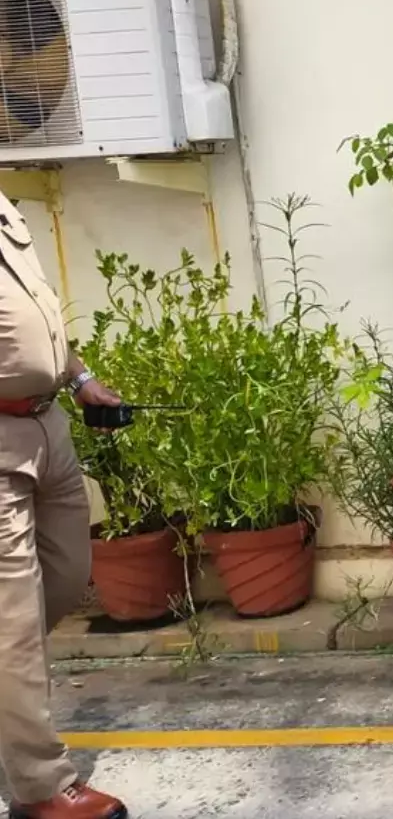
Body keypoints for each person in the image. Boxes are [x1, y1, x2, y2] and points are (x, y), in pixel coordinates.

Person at [1, 196, 128, 819]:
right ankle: (42, 787)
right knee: (13, 625)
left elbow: (39, 316)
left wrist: (79, 380)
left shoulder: (6, 209)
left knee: (68, 575)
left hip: (48, 424)